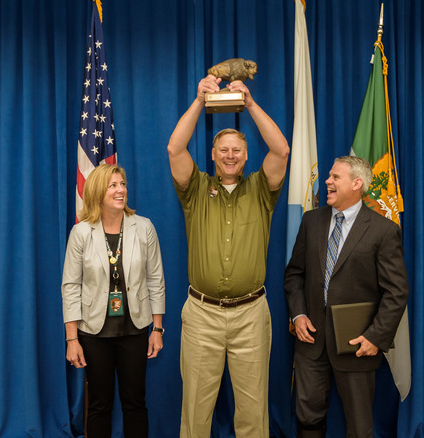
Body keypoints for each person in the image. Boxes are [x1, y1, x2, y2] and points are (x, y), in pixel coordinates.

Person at [167, 75, 290, 437]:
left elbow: (282, 151)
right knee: (195, 413)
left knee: (253, 414)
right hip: (202, 315)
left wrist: (249, 103)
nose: (231, 155)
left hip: (251, 315)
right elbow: (175, 150)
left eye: (237, 149)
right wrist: (200, 99)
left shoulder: (261, 190)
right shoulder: (196, 189)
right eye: (223, 150)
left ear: (247, 155)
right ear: (213, 155)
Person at [284, 156, 409, 438]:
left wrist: (376, 337)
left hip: (357, 344)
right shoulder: (311, 221)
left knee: (359, 423)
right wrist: (298, 314)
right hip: (311, 341)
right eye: (329, 176)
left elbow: (396, 292)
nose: (327, 181)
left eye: (335, 177)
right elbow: (294, 275)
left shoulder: (383, 231)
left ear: (357, 183)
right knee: (307, 415)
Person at [61, 164, 165, 438]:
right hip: (94, 333)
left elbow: (156, 280)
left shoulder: (144, 228)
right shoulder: (81, 233)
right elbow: (70, 287)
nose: (121, 190)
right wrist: (72, 340)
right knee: (98, 405)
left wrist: (157, 328)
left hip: (135, 330)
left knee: (135, 404)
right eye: (113, 185)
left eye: (122, 184)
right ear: (98, 192)